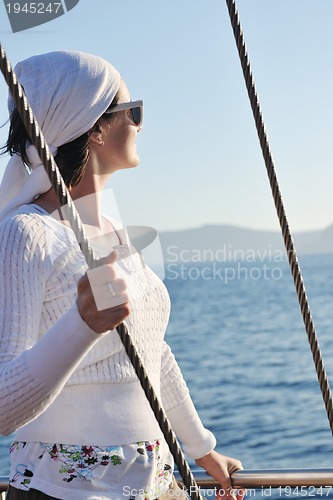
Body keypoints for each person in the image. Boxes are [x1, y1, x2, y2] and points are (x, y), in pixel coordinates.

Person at [0, 50, 244, 500]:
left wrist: (202, 449)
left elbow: (154, 352)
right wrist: (82, 324)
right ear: (93, 128)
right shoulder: (26, 233)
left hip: (157, 484)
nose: (140, 123)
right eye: (132, 111)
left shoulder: (111, 230)